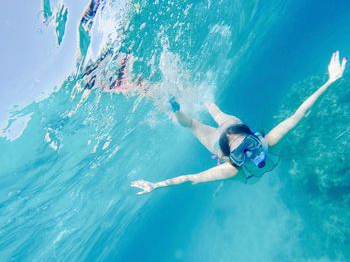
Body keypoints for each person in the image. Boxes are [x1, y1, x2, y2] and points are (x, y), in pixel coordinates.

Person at [131, 51, 347, 195]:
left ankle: (191, 99)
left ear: (256, 138)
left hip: (232, 127)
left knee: (211, 110)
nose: (252, 154)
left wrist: (330, 80)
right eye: (241, 154)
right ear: (229, 159)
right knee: (192, 124)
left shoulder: (268, 144)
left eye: (251, 146)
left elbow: (300, 114)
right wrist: (156, 185)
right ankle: (175, 107)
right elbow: (192, 178)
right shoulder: (232, 170)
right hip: (220, 140)